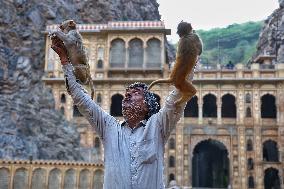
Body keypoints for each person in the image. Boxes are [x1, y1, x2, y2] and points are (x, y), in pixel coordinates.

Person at [51, 36, 193, 189]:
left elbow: (175, 99)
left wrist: (191, 62)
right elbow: (80, 98)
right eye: (126, 93)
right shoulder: (109, 127)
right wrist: (64, 60)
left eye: (136, 92)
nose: (128, 95)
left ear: (147, 105)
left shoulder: (157, 127)